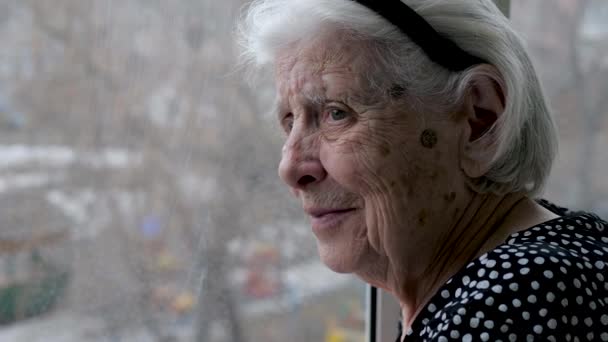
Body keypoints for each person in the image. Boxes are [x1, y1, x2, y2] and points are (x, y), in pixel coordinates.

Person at [237, 0, 608, 340]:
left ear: (480, 122)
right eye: (290, 121)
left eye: (336, 113)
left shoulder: (510, 305)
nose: (290, 168)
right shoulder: (550, 259)